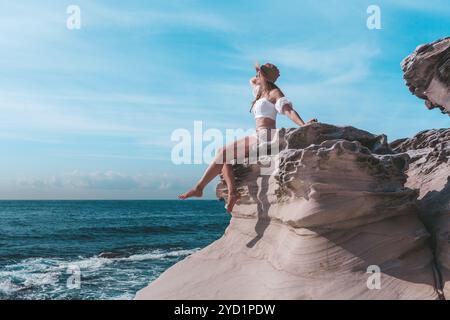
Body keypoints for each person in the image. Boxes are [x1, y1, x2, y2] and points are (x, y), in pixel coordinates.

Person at [178, 62, 317, 212]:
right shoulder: (259, 92)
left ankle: (199, 188)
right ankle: (232, 193)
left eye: (261, 72)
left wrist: (303, 125)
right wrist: (260, 71)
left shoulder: (274, 93)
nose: (257, 75)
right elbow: (252, 80)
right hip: (256, 135)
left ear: (265, 76)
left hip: (267, 136)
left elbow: (288, 111)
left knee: (223, 153)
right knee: (222, 153)